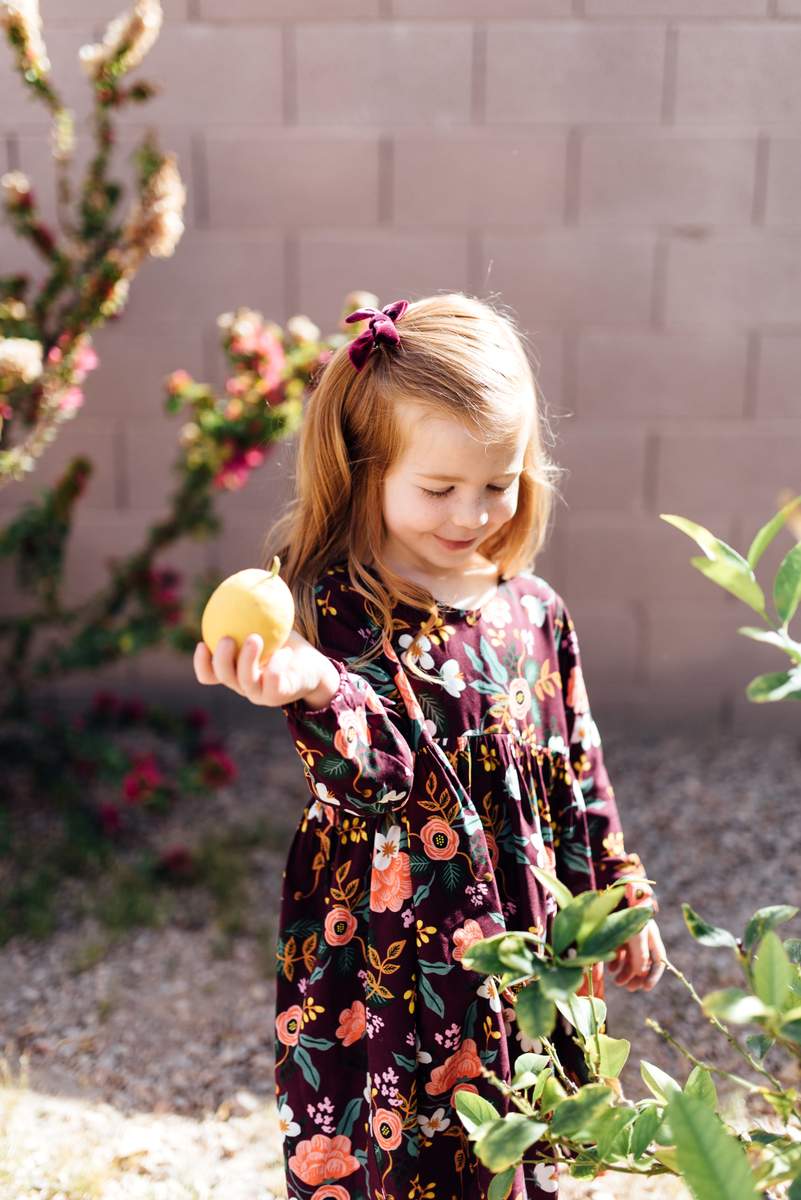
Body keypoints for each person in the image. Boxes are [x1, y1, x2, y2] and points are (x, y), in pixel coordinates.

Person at [193, 293, 666, 1200]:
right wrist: (314, 687)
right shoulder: (334, 610)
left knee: (527, 1137)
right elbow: (378, 774)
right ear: (366, 469)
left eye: (500, 484)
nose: (473, 513)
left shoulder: (532, 611)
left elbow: (574, 768)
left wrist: (613, 887)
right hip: (396, 949)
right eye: (439, 489)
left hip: (525, 940)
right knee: (406, 1154)